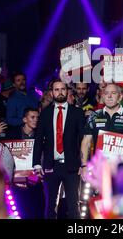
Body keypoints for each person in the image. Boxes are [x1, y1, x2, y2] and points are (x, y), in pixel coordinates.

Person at [32, 79, 86, 219]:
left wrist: (84, 163)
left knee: (74, 206)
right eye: (56, 89)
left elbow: (83, 140)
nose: (60, 92)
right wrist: (37, 163)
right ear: (52, 93)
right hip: (51, 165)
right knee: (50, 206)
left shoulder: (77, 112)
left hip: (72, 166)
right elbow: (38, 140)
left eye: (63, 89)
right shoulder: (45, 113)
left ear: (67, 91)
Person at [80, 83, 123, 179]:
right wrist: (84, 165)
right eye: (106, 93)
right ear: (102, 96)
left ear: (120, 97)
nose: (109, 96)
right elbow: (86, 142)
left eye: (113, 93)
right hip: (100, 169)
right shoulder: (94, 116)